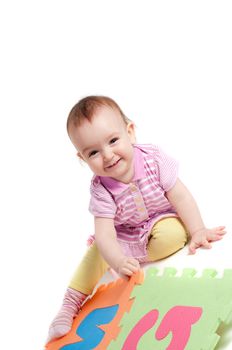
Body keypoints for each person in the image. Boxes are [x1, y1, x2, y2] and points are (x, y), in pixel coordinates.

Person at [47, 95, 226, 342]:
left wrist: (197, 230)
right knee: (98, 250)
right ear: (83, 159)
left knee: (174, 234)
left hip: (159, 220)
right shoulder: (101, 189)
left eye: (112, 140)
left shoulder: (154, 159)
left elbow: (181, 197)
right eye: (94, 152)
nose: (108, 155)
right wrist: (118, 260)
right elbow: (106, 233)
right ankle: (69, 304)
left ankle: (138, 254)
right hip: (124, 235)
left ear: (130, 132)